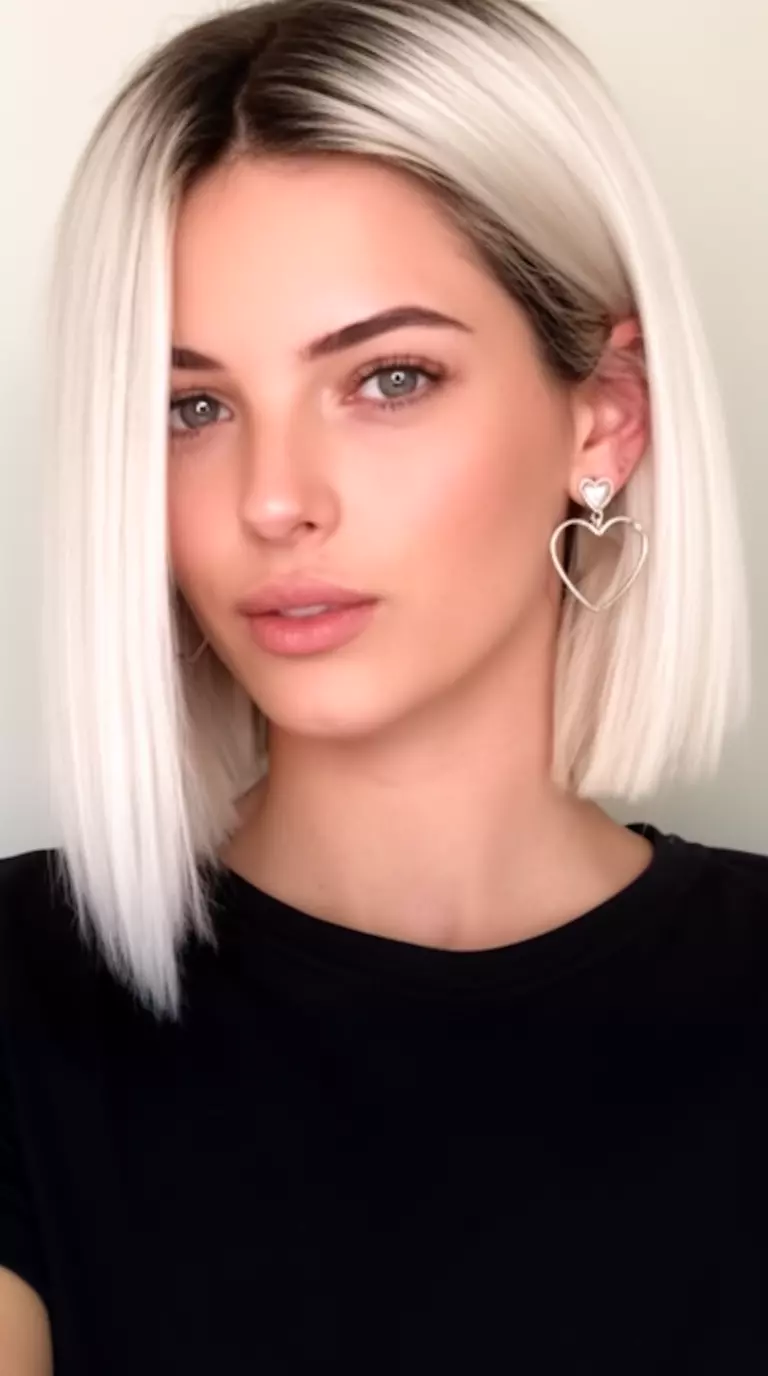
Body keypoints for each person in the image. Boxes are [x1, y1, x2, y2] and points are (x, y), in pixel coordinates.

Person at [1, 0, 765, 1369]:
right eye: (193, 408)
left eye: (388, 377)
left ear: (604, 415)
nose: (275, 500)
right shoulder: (18, 1001)